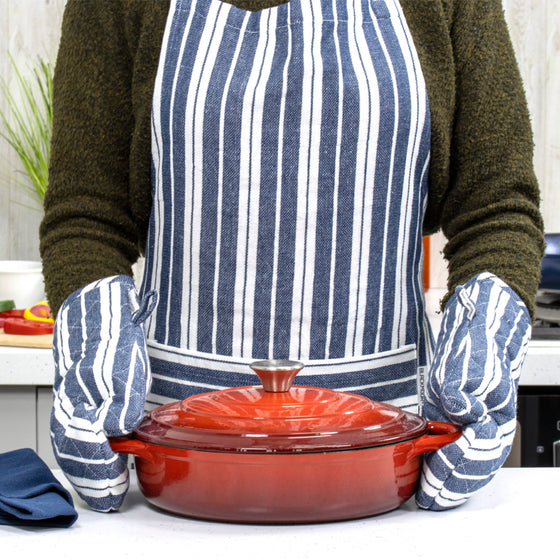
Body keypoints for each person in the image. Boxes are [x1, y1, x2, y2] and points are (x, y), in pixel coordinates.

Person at [40, 0, 544, 513]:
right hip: (176, 468)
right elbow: (88, 214)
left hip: (389, 467)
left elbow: (494, 206)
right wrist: (93, 344)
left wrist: (486, 346)